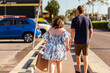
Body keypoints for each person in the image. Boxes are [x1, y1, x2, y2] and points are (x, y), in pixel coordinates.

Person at [70, 5, 93, 73]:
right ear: (83, 11)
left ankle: (79, 70)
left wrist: (70, 41)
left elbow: (72, 31)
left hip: (77, 41)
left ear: (77, 11)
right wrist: (89, 39)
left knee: (78, 56)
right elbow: (91, 31)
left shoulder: (74, 19)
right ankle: (85, 72)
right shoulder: (88, 19)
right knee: (85, 57)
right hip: (86, 42)